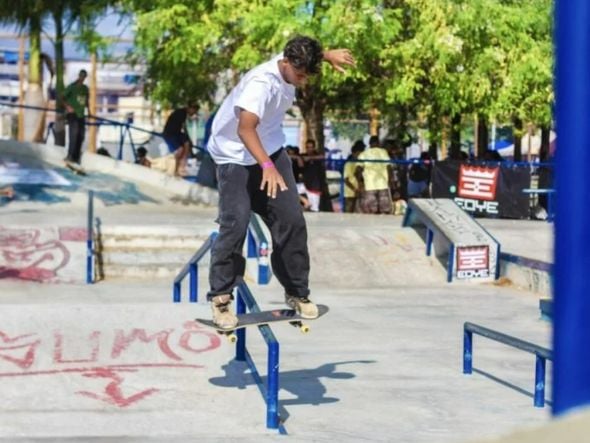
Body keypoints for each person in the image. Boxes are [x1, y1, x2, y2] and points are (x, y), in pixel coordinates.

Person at [206, 35, 355, 328]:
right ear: (285, 64)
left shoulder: (293, 58)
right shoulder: (260, 85)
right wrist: (267, 167)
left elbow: (305, 50)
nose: (302, 81)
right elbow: (245, 129)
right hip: (234, 156)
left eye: (307, 75)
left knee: (292, 220)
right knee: (235, 223)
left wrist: (327, 55)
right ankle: (221, 298)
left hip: (270, 150)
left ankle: (297, 293)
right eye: (299, 75)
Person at [355, 135, 393, 214]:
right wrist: (390, 180)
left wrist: (360, 182)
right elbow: (389, 167)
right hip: (383, 184)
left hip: (370, 185)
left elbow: (358, 170)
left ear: (369, 143)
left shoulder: (363, 154)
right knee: (385, 210)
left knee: (372, 210)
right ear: (378, 143)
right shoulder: (383, 152)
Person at [163, 102, 199, 176]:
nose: (194, 113)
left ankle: (182, 165)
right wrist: (189, 139)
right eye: (194, 111)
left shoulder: (183, 113)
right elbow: (184, 128)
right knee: (180, 149)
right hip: (169, 134)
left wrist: (189, 140)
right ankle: (176, 169)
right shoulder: (181, 113)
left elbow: (183, 129)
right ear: (190, 108)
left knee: (187, 143)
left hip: (176, 133)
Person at [63, 69, 90, 165]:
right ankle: (70, 156)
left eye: (84, 76)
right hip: (73, 114)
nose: (82, 78)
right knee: (73, 135)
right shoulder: (71, 87)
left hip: (81, 114)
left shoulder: (85, 88)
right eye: (81, 76)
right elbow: (62, 97)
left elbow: (87, 100)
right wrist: (68, 107)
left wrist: (89, 112)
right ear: (79, 76)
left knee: (81, 136)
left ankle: (76, 157)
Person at [301, 139, 325, 212]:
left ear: (314, 148)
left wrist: (310, 158)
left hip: (315, 187)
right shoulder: (303, 156)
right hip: (305, 184)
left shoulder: (317, 156)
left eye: (311, 147)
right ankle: (305, 201)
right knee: (291, 189)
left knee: (314, 209)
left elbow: (322, 156)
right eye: (308, 147)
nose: (309, 149)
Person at [343, 140, 365, 212]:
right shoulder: (349, 164)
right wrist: (354, 189)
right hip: (349, 193)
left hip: (359, 192)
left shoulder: (361, 164)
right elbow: (346, 180)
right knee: (348, 212)